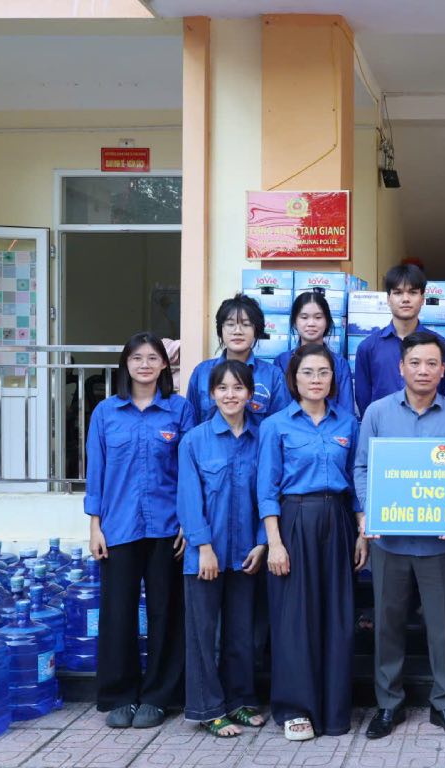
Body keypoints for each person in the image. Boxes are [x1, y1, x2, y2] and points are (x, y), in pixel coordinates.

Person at [353, 330, 445, 741]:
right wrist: (370, 512)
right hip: (389, 541)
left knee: (442, 627)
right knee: (387, 624)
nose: (423, 370)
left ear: (443, 370)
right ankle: (388, 703)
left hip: (439, 544)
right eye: (415, 363)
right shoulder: (377, 413)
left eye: (432, 364)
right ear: (401, 367)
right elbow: (362, 467)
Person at [85, 332, 194, 729]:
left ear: (165, 364)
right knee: (118, 613)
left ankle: (159, 696)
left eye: (152, 358)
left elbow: (190, 471)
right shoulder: (106, 413)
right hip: (118, 526)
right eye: (136, 358)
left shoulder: (180, 410)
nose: (144, 365)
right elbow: (96, 471)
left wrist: (189, 522)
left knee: (167, 612)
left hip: (168, 527)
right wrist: (94, 526)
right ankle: (120, 695)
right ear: (125, 365)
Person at [258, 343, 364, 740]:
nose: (316, 379)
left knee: (338, 615)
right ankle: (295, 709)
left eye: (323, 372)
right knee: (294, 617)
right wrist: (274, 542)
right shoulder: (276, 425)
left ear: (334, 378)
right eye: (308, 372)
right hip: (294, 521)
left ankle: (334, 709)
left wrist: (361, 532)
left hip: (338, 520)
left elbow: (355, 481)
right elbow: (266, 488)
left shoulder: (347, 423)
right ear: (294, 379)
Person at [176, 360, 266, 737]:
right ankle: (208, 709)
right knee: (203, 635)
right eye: (223, 388)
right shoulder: (194, 440)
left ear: (250, 394)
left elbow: (268, 493)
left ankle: (239, 701)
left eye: (238, 388)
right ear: (211, 394)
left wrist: (262, 543)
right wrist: (203, 547)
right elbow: (188, 499)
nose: (231, 395)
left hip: (246, 553)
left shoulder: (262, 438)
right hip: (205, 556)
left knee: (241, 633)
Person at [355, 264, 445, 415]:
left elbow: (444, 393)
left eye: (413, 292)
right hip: (383, 427)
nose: (405, 299)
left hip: (428, 426)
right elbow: (363, 399)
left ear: (422, 299)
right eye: (398, 293)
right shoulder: (368, 347)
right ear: (388, 299)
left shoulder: (439, 345)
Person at [186, 294, 290, 424]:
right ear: (221, 329)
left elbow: (281, 426)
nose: (237, 331)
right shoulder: (202, 373)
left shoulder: (273, 376)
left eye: (246, 324)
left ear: (256, 330)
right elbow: (191, 423)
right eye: (230, 324)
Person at [274, 292, 355, 414]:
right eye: (304, 317)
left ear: (327, 321)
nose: (311, 323)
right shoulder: (282, 362)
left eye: (318, 317)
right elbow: (279, 410)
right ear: (295, 322)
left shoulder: (340, 364)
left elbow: (346, 412)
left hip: (331, 426)